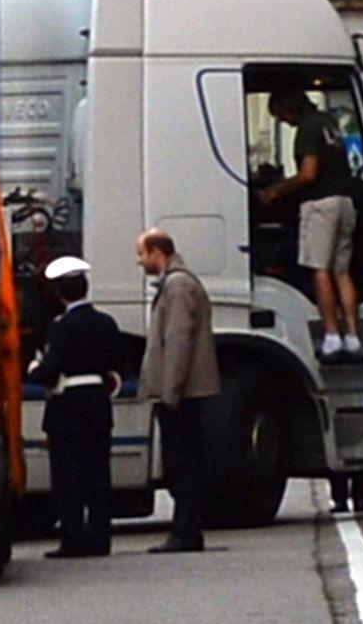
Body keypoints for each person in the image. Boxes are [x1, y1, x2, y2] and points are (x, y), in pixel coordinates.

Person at [259, 88, 363, 361]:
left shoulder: (307, 128)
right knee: (342, 271)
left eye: (281, 116)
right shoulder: (328, 122)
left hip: (320, 204)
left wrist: (276, 191)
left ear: (290, 109)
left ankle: (331, 335)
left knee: (320, 269)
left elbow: (308, 174)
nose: (284, 122)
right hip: (345, 200)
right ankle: (352, 336)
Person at [27, 256, 121, 559]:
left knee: (68, 476)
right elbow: (116, 367)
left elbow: (51, 371)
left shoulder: (60, 327)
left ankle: (73, 539)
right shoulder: (106, 323)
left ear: (60, 293)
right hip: (97, 402)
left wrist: (34, 369)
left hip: (67, 405)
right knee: (98, 474)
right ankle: (100, 537)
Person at [136, 229, 219, 553]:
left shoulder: (178, 286)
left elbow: (178, 341)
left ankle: (186, 530)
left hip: (181, 394)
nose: (138, 260)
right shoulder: (176, 284)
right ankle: (186, 529)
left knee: (180, 463)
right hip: (180, 392)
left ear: (158, 252)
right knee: (180, 462)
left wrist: (170, 390)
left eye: (142, 253)